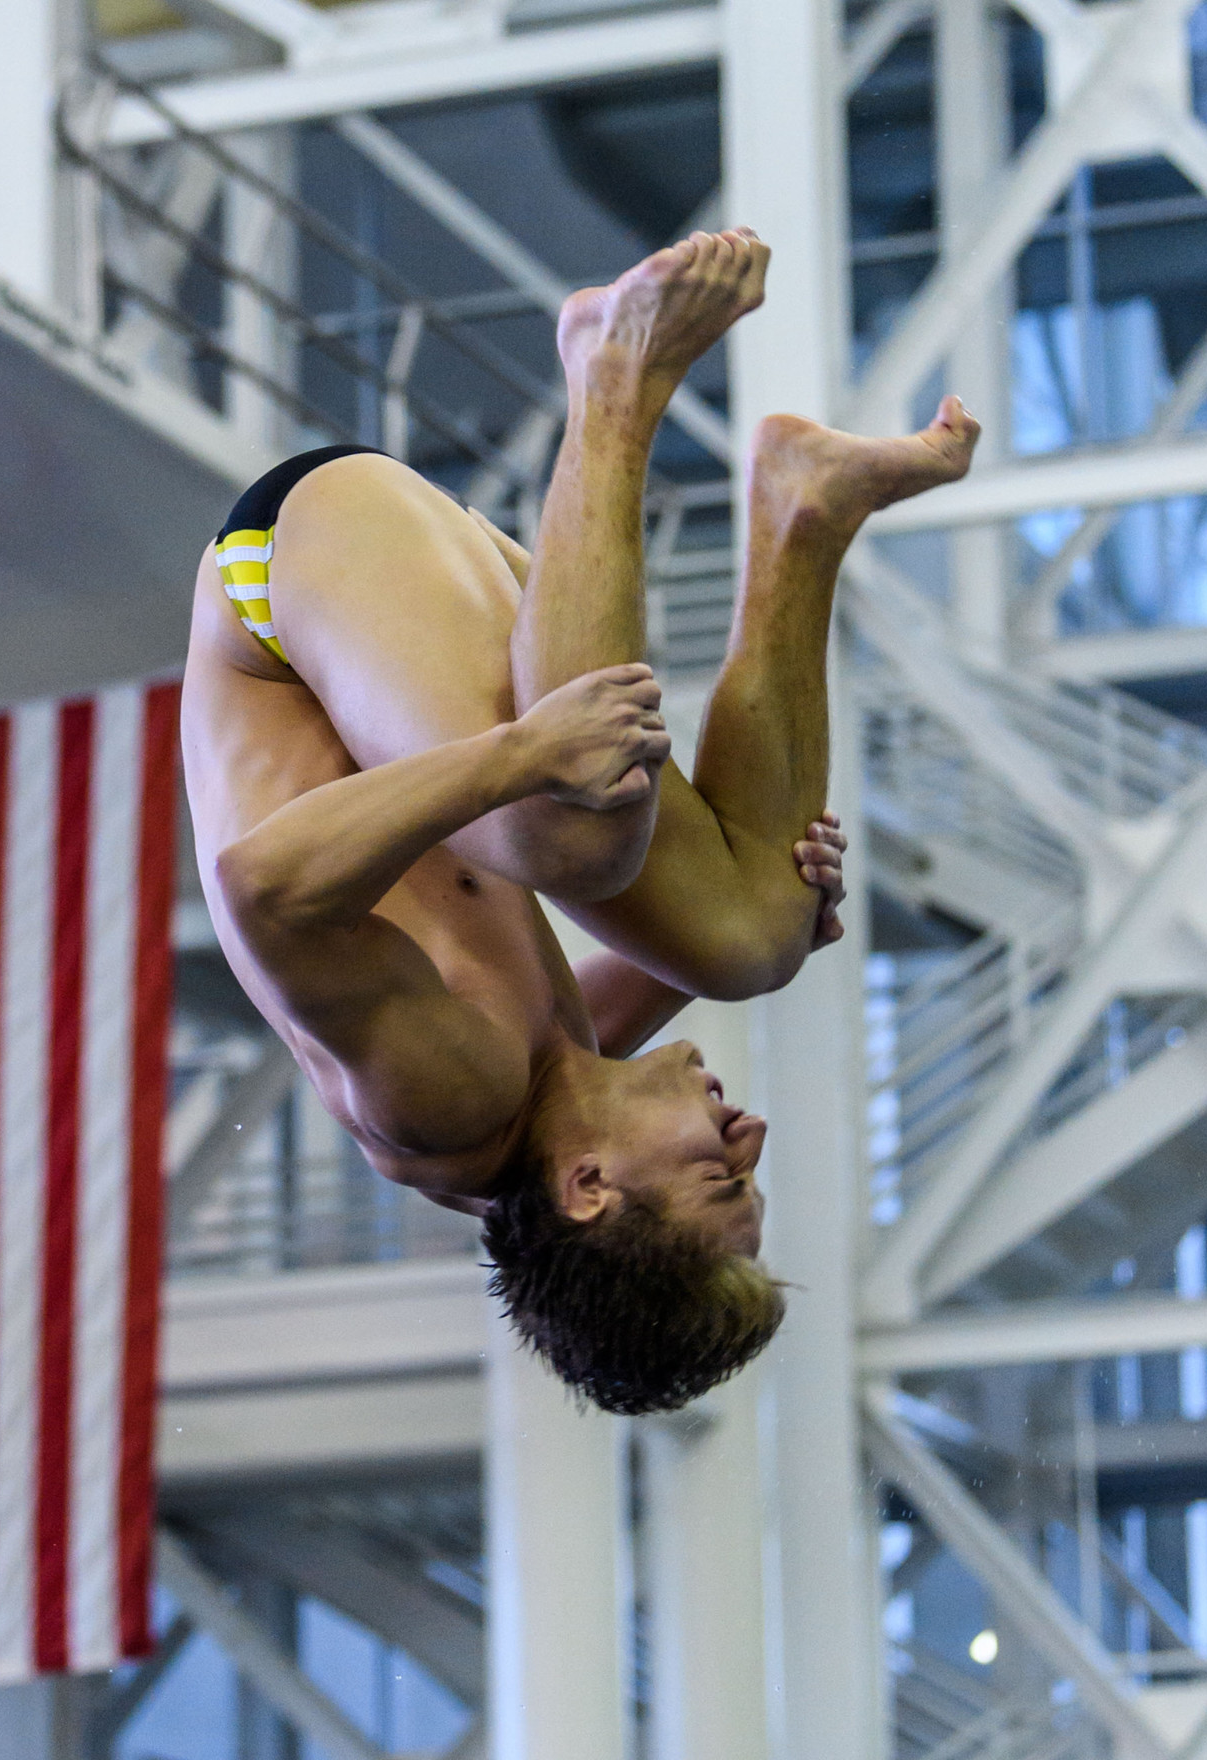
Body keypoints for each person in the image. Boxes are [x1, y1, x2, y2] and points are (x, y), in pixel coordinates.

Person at [180, 229, 979, 1413]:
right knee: (752, 940)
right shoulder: (532, 1105)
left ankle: (613, 367)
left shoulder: (432, 1103)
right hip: (428, 625)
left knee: (572, 827)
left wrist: (516, 755)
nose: (748, 1135)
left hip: (290, 584)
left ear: (593, 1190)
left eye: (722, 1183)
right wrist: (758, 905)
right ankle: (804, 513)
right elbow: (554, 1004)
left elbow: (262, 890)